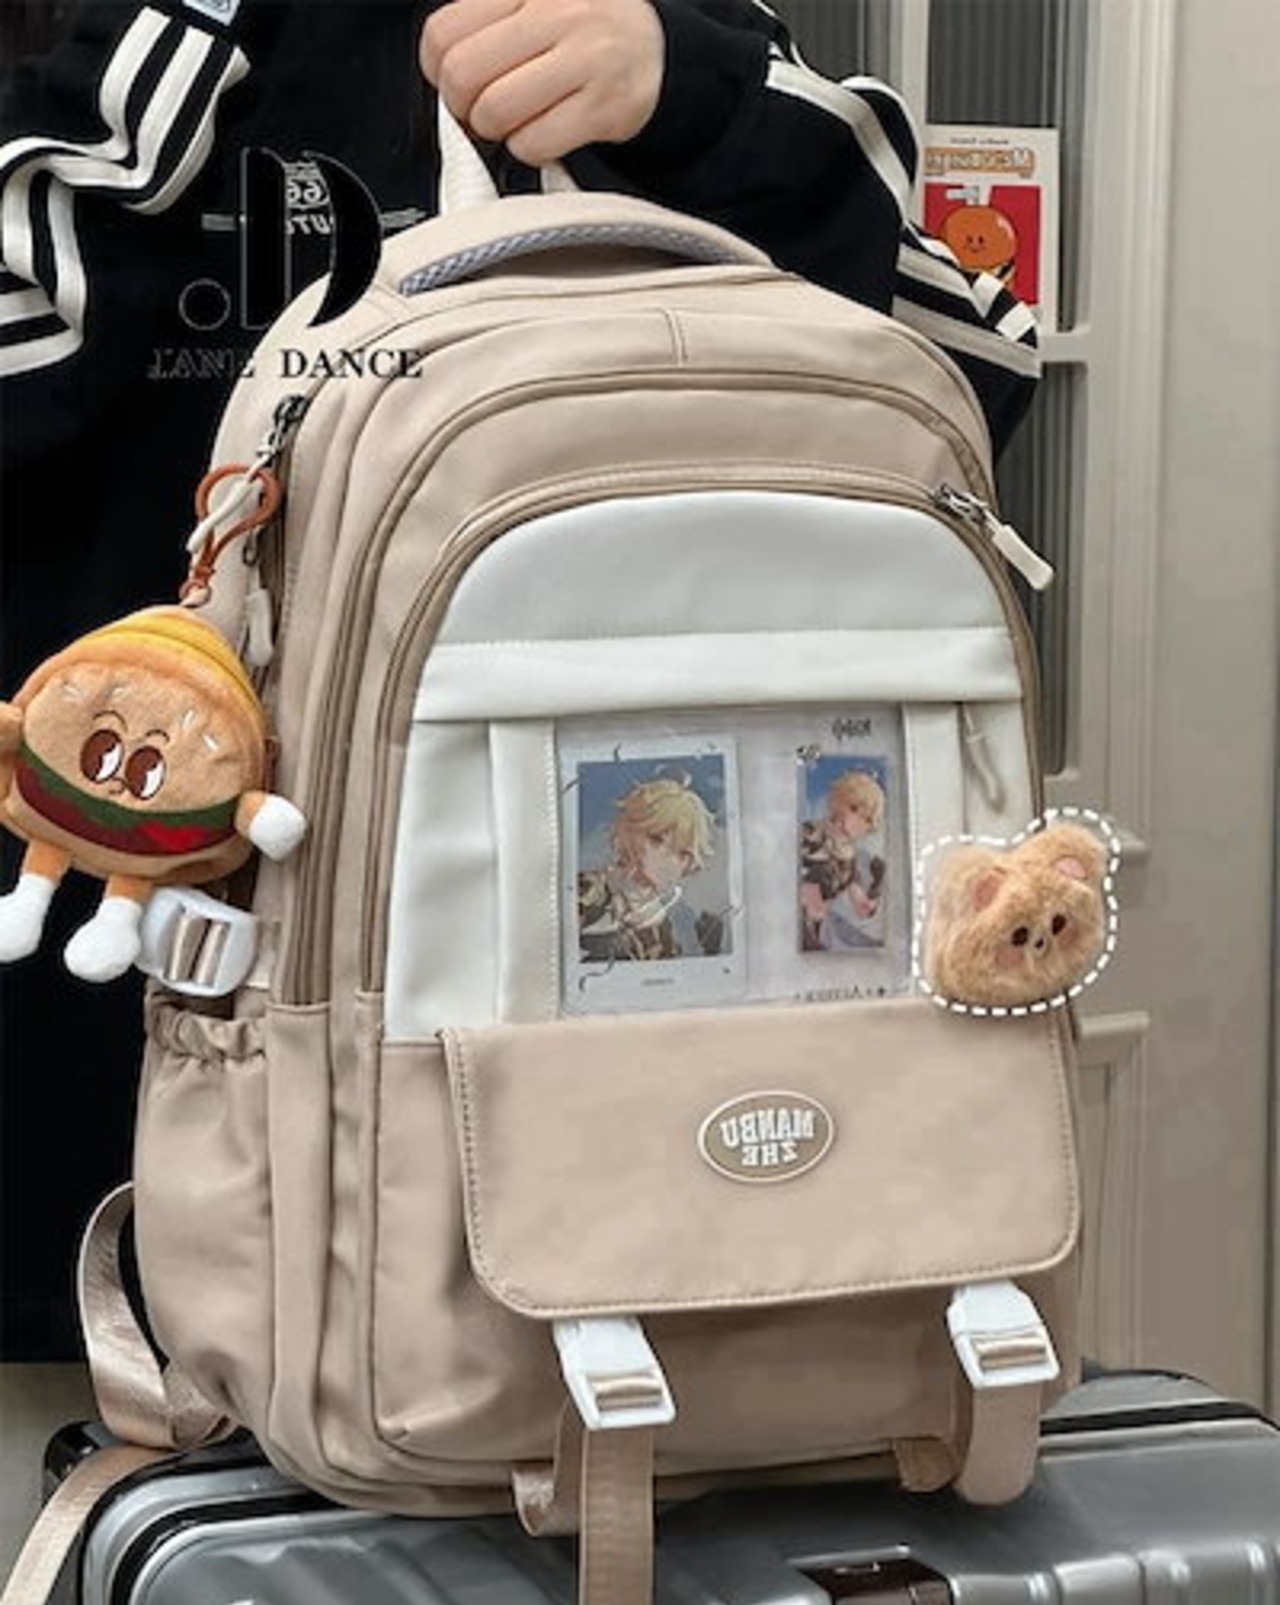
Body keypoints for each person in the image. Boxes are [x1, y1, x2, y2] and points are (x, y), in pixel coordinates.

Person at [0, 0, 1040, 1356]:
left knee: (625, 1431)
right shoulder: (152, 60)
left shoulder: (657, 30)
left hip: (643, 1090)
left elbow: (967, 370)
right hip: (128, 1098)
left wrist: (691, 91)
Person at [578, 773, 724, 962]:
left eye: (682, 854)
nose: (668, 859)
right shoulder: (588, 892)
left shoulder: (682, 921)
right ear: (629, 832)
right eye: (657, 839)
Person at [799, 766, 887, 952]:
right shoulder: (811, 834)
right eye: (854, 809)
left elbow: (860, 904)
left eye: (867, 820)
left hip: (818, 930)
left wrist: (871, 897)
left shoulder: (848, 860)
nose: (858, 823)